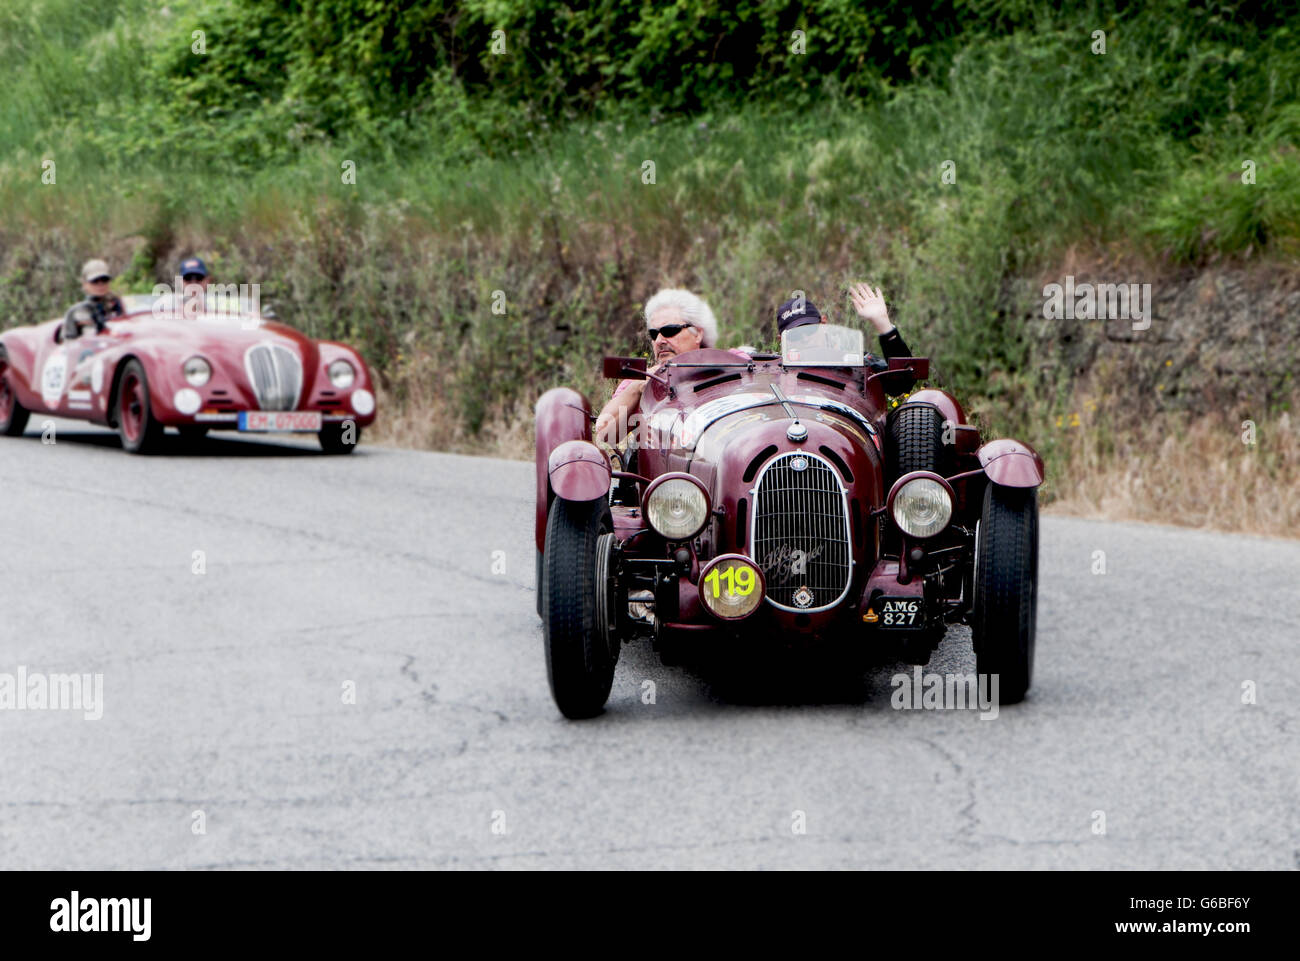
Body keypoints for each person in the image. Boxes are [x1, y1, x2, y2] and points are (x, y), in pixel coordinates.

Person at [594, 288, 748, 443]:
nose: (659, 340)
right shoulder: (639, 382)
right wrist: (638, 389)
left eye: (669, 331)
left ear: (698, 333)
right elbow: (605, 434)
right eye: (654, 334)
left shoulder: (733, 361)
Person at [777, 282, 911, 368]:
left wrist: (884, 325)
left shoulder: (853, 362)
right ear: (781, 340)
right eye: (795, 335)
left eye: (810, 330)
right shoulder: (770, 371)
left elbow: (901, 384)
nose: (805, 338)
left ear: (823, 324)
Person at [62, 259, 126, 339]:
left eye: (104, 280)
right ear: (85, 284)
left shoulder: (118, 303)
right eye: (95, 281)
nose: (100, 284)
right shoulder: (78, 310)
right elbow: (89, 334)